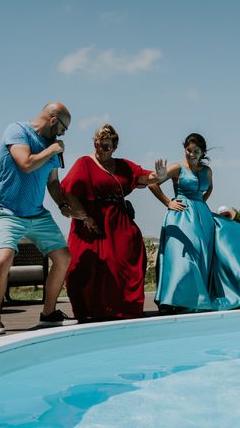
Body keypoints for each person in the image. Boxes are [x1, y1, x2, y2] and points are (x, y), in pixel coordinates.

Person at [0, 102, 77, 335]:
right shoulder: (17, 131)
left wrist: (63, 204)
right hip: (7, 210)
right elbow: (26, 164)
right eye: (64, 127)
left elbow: (53, 182)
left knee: (63, 258)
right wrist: (52, 150)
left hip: (37, 213)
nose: (64, 133)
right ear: (54, 121)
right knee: (3, 258)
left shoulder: (52, 146)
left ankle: (48, 314)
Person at [60, 124, 167, 321]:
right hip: (92, 225)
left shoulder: (123, 165)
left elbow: (143, 178)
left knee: (125, 266)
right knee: (88, 268)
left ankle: (124, 310)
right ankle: (92, 311)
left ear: (115, 147)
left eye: (106, 146)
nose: (101, 149)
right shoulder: (84, 163)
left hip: (119, 224)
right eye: (98, 145)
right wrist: (85, 217)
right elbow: (68, 192)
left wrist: (158, 177)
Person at [150, 133, 240, 312]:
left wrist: (200, 200)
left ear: (202, 152)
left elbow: (209, 187)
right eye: (188, 150)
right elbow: (152, 183)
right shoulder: (177, 167)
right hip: (182, 214)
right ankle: (175, 299)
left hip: (202, 213)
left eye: (196, 151)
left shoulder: (207, 171)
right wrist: (169, 201)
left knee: (229, 238)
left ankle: (229, 292)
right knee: (185, 256)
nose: (191, 154)